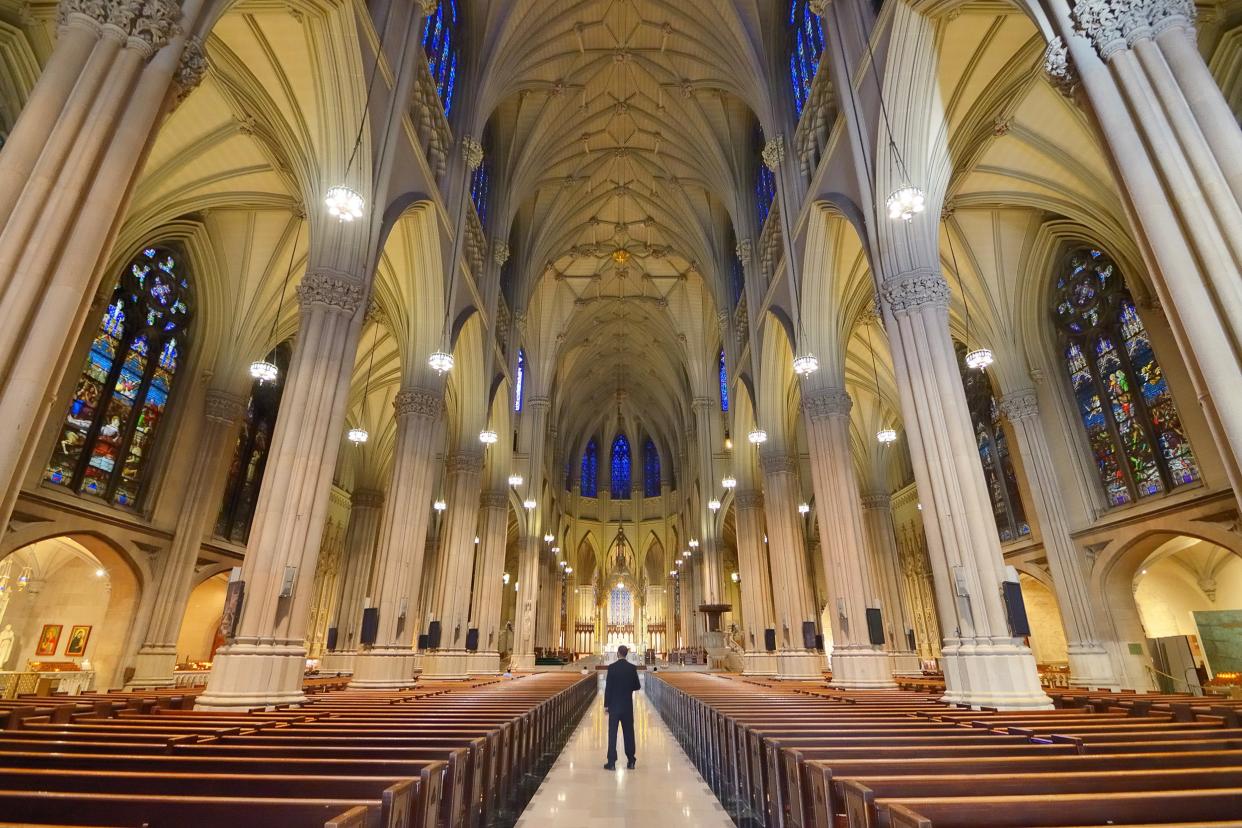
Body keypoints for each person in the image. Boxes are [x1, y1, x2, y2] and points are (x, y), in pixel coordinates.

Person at [602, 644, 641, 770]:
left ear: (618, 653)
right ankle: (631, 761)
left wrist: (606, 705)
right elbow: (637, 686)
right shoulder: (632, 668)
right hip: (627, 707)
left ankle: (612, 762)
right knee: (629, 733)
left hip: (614, 706)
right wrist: (627, 687)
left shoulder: (612, 668)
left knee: (612, 733)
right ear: (627, 654)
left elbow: (608, 689)